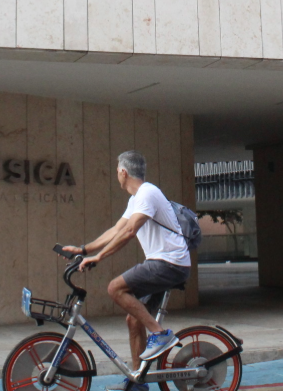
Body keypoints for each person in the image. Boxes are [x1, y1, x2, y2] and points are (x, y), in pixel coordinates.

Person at [63, 150, 190, 389]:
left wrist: (98, 257)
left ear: (122, 172)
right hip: (163, 263)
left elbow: (130, 231)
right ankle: (138, 382)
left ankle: (160, 334)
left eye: (116, 172)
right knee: (133, 319)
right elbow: (116, 230)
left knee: (115, 288)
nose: (116, 176)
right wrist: (83, 249)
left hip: (169, 263)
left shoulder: (148, 193)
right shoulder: (136, 199)